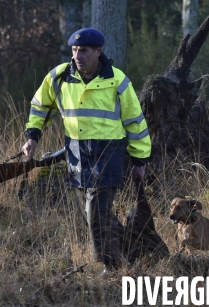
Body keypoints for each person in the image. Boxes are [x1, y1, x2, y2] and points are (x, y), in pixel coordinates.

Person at [21, 28, 151, 271]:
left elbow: (135, 122)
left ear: (98, 52)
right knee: (92, 213)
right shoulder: (58, 77)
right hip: (76, 153)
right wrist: (33, 136)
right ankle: (129, 254)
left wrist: (139, 161)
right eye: (74, 50)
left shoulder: (118, 80)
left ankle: (109, 267)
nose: (78, 55)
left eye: (84, 51)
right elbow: (40, 107)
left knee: (96, 209)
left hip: (109, 153)